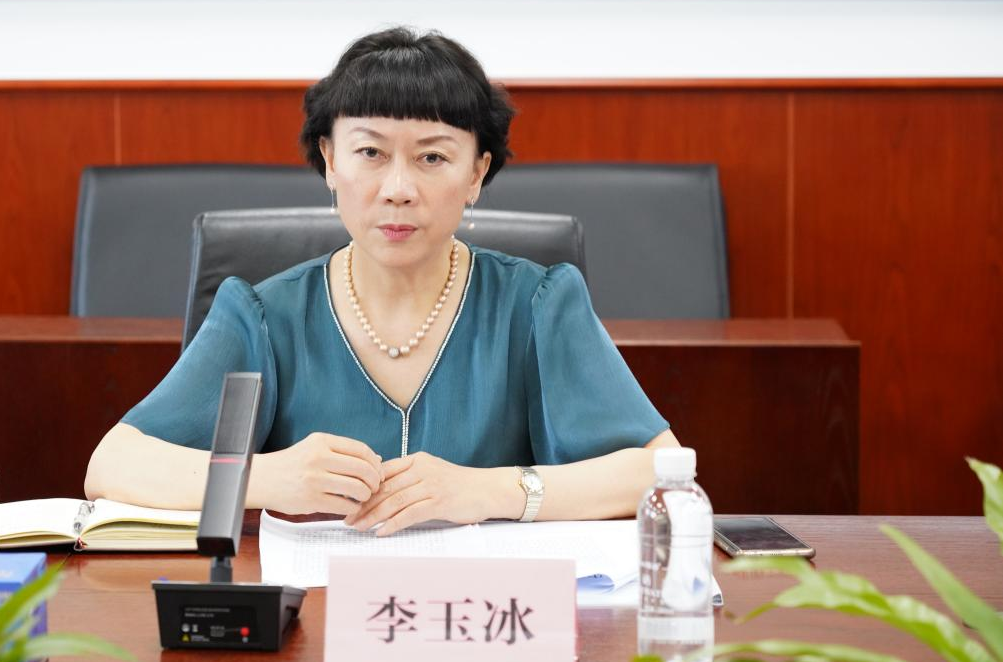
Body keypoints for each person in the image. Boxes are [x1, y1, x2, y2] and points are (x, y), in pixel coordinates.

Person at [84, 27, 679, 536]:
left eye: (432, 158)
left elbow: (664, 470)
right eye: (370, 153)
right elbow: (111, 465)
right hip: (313, 620)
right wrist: (267, 477)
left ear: (477, 174)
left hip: (483, 615)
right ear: (329, 160)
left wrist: (490, 491)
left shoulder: (539, 304)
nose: (398, 188)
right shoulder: (262, 315)